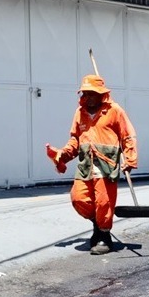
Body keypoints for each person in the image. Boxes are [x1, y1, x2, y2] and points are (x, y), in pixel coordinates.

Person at [45, 74, 138, 255]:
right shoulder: (80, 113)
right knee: (78, 198)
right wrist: (61, 155)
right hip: (86, 166)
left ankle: (104, 236)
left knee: (104, 203)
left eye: (91, 93)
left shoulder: (115, 111)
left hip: (106, 166)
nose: (87, 97)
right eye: (85, 94)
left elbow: (127, 136)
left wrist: (130, 158)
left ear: (101, 94)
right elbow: (75, 140)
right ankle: (98, 224)